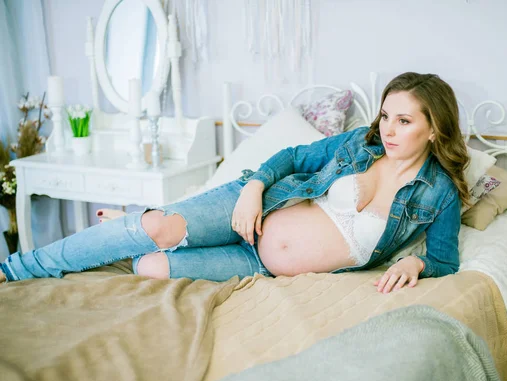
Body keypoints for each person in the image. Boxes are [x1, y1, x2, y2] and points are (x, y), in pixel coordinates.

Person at [0, 72, 469, 294]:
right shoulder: (359, 144)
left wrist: (418, 266)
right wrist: (253, 187)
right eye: (386, 115)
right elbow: (292, 157)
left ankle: (130, 225)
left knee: (149, 268)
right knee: (160, 228)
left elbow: (445, 259)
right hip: (254, 210)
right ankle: (19, 268)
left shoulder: (439, 192)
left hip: (261, 266)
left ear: (434, 128)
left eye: (403, 120)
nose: (387, 129)